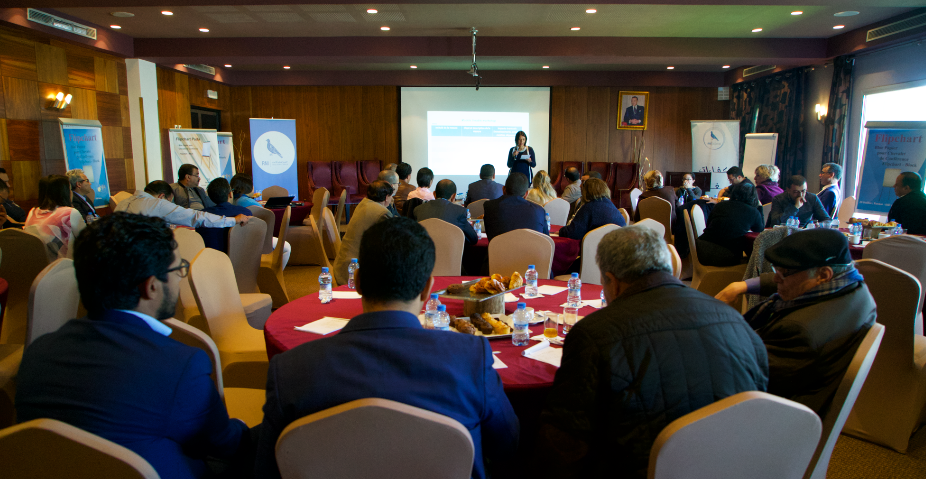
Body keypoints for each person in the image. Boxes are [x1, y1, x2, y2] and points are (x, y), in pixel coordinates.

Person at [255, 217, 519, 478]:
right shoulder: (470, 359)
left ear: (358, 282)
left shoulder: (290, 370)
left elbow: (269, 467)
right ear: (427, 289)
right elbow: (506, 444)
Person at [16, 213, 252, 479]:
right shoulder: (181, 366)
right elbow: (224, 444)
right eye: (177, 270)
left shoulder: (38, 352)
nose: (179, 279)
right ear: (151, 287)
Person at [539, 226, 768, 478]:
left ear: (612, 281)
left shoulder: (595, 334)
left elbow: (566, 441)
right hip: (735, 465)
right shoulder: (736, 322)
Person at [714, 228, 876, 415]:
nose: (776, 278)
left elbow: (744, 375)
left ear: (823, 275)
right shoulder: (854, 286)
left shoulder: (800, 331)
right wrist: (741, 285)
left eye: (784, 272)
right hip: (802, 386)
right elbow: (799, 276)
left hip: (775, 413)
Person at [332, 180, 394, 285]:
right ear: (386, 197)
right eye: (391, 196)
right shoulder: (382, 213)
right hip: (355, 274)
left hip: (342, 267)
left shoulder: (363, 204)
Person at [116, 180, 249, 229]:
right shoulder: (157, 204)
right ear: (162, 196)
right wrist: (233, 220)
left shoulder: (123, 202)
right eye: (169, 201)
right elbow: (195, 217)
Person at [228, 173, 292, 267]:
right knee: (287, 248)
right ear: (249, 187)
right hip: (256, 239)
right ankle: (275, 273)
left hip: (235, 241)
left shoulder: (231, 200)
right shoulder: (251, 203)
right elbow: (267, 218)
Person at [696, 180, 765, 266]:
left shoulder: (720, 205)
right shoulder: (753, 212)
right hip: (724, 255)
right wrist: (760, 207)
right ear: (754, 196)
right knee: (749, 262)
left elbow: (708, 224)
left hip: (702, 249)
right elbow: (759, 230)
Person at [25, 175, 85, 261]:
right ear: (64, 192)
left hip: (39, 266)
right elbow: (88, 242)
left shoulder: (33, 212)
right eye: (70, 189)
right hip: (65, 266)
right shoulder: (69, 213)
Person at [483, 173, 549, 241]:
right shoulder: (539, 211)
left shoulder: (489, 207)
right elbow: (547, 240)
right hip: (530, 248)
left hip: (499, 248)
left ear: (503, 190)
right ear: (526, 194)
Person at [413, 179, 478, 245]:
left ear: (434, 194)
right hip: (450, 251)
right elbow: (473, 239)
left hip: (424, 250)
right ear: (453, 196)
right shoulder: (459, 211)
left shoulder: (418, 210)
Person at [197, 178, 253, 254]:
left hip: (211, 258)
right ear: (230, 194)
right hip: (240, 257)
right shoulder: (245, 212)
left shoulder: (202, 215)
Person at [558, 178, 625, 240]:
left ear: (586, 192)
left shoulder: (589, 207)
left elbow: (573, 233)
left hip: (597, 247)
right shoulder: (611, 205)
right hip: (618, 243)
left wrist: (561, 231)